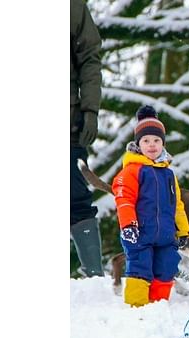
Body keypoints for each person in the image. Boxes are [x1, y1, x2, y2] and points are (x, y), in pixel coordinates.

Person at [113, 105, 189, 307]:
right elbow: (124, 199)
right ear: (138, 144)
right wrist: (128, 225)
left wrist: (183, 230)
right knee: (140, 269)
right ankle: (136, 308)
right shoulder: (132, 171)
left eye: (157, 140)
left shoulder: (168, 174)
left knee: (166, 268)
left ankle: (157, 306)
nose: (152, 145)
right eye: (146, 141)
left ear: (163, 144)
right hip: (139, 234)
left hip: (165, 235)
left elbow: (177, 205)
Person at [70, 0, 104, 277]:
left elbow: (90, 58)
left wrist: (90, 110)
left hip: (68, 125)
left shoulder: (72, 7)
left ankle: (94, 278)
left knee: (77, 198)